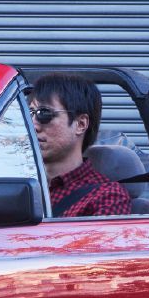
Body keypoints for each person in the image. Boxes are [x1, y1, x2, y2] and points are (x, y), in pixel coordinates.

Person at [26, 72, 131, 218]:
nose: (32, 125)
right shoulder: (22, 185)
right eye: (29, 113)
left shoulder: (107, 197)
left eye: (43, 113)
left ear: (80, 124)